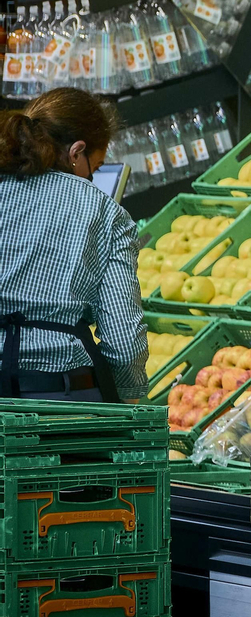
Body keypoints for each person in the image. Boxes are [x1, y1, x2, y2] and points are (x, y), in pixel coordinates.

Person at [0, 88, 146, 402]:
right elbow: (123, 341)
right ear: (76, 152)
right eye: (95, 166)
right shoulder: (105, 213)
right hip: (57, 392)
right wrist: (129, 400)